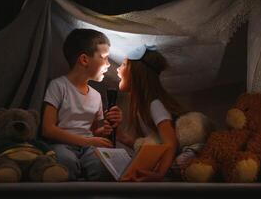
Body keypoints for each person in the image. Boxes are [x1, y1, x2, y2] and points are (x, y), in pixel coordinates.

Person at [42, 29, 122, 181]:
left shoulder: (96, 95)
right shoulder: (58, 86)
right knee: (65, 162)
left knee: (102, 164)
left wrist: (106, 128)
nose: (108, 64)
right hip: (62, 144)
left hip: (88, 148)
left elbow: (93, 131)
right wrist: (88, 141)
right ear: (84, 60)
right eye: (104, 58)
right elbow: (48, 129)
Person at [116, 45, 183, 181]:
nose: (118, 69)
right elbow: (152, 143)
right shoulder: (142, 107)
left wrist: (159, 174)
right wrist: (120, 136)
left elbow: (170, 143)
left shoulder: (155, 105)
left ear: (136, 72)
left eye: (123, 65)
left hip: (172, 168)